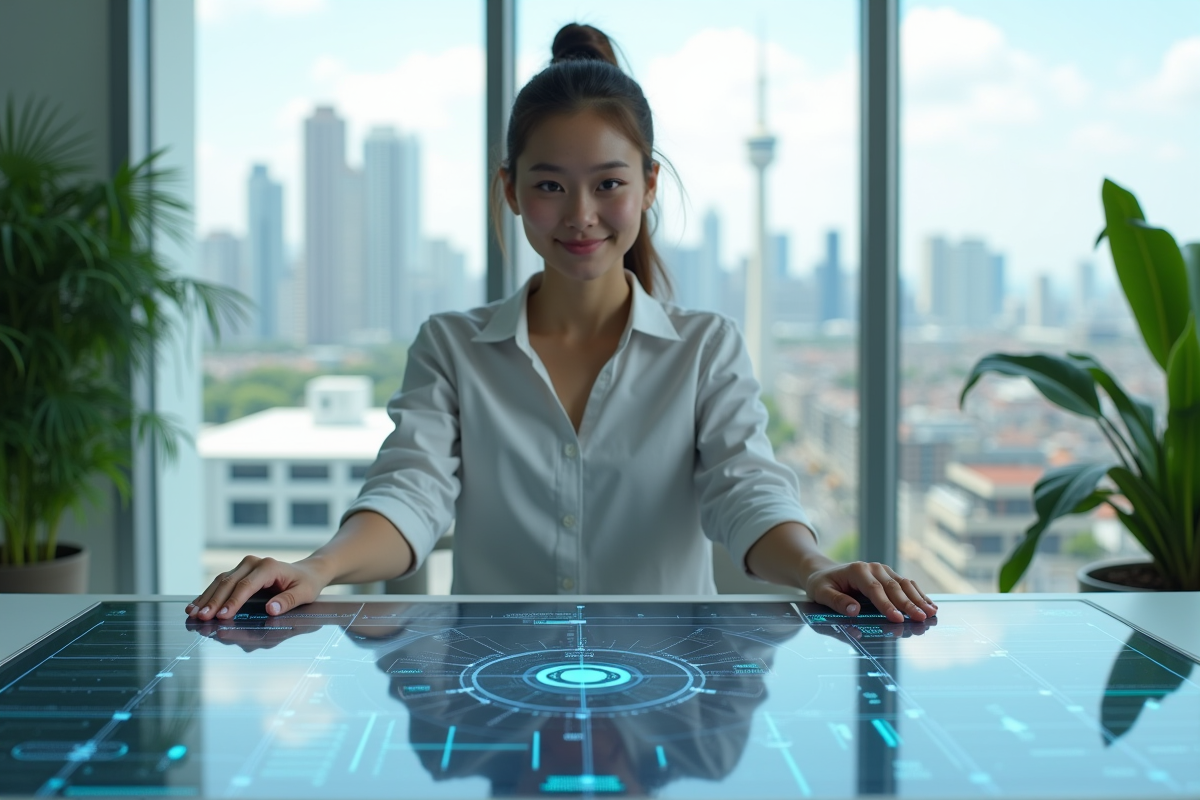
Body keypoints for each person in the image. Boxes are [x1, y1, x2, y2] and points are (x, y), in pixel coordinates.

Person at [188, 23, 936, 626]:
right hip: (493, 695)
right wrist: (318, 568)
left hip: (668, 702)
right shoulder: (453, 347)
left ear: (648, 185)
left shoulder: (707, 348)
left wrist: (814, 569)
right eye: (549, 185)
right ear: (511, 190)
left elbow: (745, 491)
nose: (580, 216)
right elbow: (410, 494)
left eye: (608, 184)